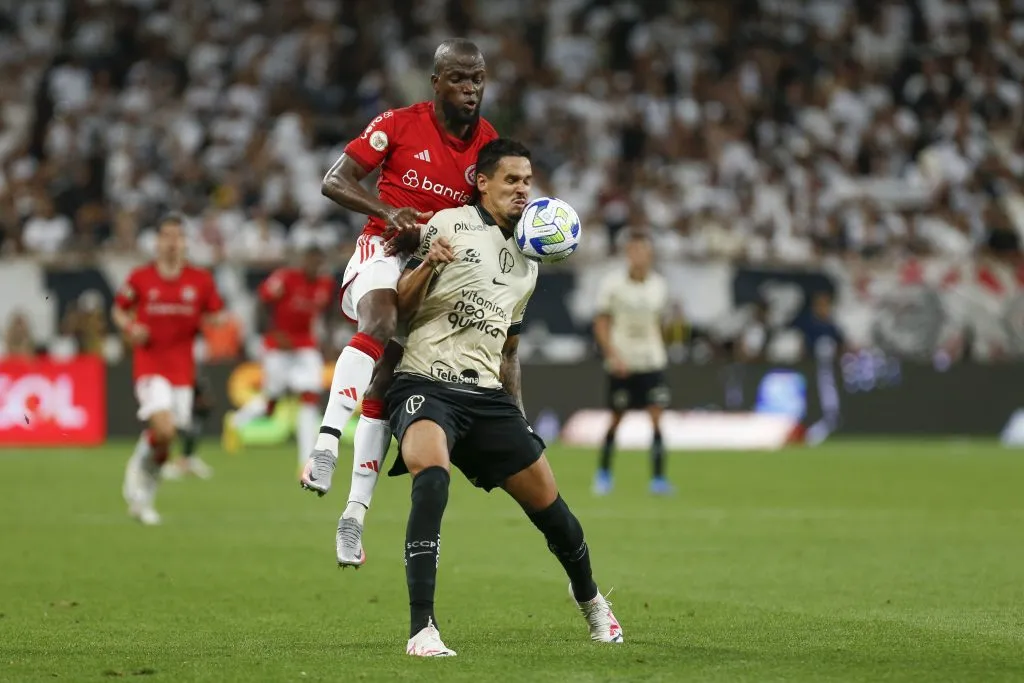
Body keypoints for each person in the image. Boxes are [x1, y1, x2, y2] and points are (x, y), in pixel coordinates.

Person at [385, 138, 623, 656]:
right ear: (482, 181)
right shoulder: (446, 223)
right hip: (425, 382)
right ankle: (421, 628)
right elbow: (396, 315)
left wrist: (518, 417)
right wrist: (427, 265)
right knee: (432, 478)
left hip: (486, 396)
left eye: (527, 181)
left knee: (552, 510)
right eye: (512, 180)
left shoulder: (528, 264)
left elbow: (508, 351)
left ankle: (591, 601)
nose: (522, 190)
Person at [301, 38, 498, 569]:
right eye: (459, 78)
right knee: (380, 318)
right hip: (384, 246)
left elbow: (493, 214)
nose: (470, 89)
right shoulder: (399, 123)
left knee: (386, 386)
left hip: (437, 270)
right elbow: (334, 181)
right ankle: (325, 441)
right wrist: (391, 213)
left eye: (477, 78)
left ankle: (353, 517)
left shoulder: (488, 144)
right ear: (436, 82)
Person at [112, 214, 225, 525]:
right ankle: (137, 476)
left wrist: (215, 321)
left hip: (182, 371)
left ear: (185, 242)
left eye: (177, 236)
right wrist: (131, 327)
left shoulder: (200, 280)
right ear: (157, 241)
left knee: (165, 438)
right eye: (166, 236)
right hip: (150, 365)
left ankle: (144, 498)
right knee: (164, 429)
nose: (172, 242)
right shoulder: (141, 278)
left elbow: (216, 312)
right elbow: (119, 310)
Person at [225, 246, 334, 469]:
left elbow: (328, 313)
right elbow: (261, 302)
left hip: (305, 346)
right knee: (271, 404)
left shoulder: (325, 285)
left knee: (309, 397)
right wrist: (271, 332)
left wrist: (327, 342)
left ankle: (306, 461)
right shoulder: (285, 278)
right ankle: (236, 422)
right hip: (279, 346)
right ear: (303, 261)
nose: (314, 266)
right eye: (310, 261)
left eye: (318, 262)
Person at [591, 230, 673, 496]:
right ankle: (604, 474)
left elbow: (661, 323)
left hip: (651, 361)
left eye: (644, 251)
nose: (639, 256)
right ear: (628, 254)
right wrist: (613, 355)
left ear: (650, 255)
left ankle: (659, 479)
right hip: (622, 363)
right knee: (616, 418)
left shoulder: (659, 285)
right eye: (634, 251)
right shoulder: (612, 284)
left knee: (657, 418)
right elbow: (602, 323)